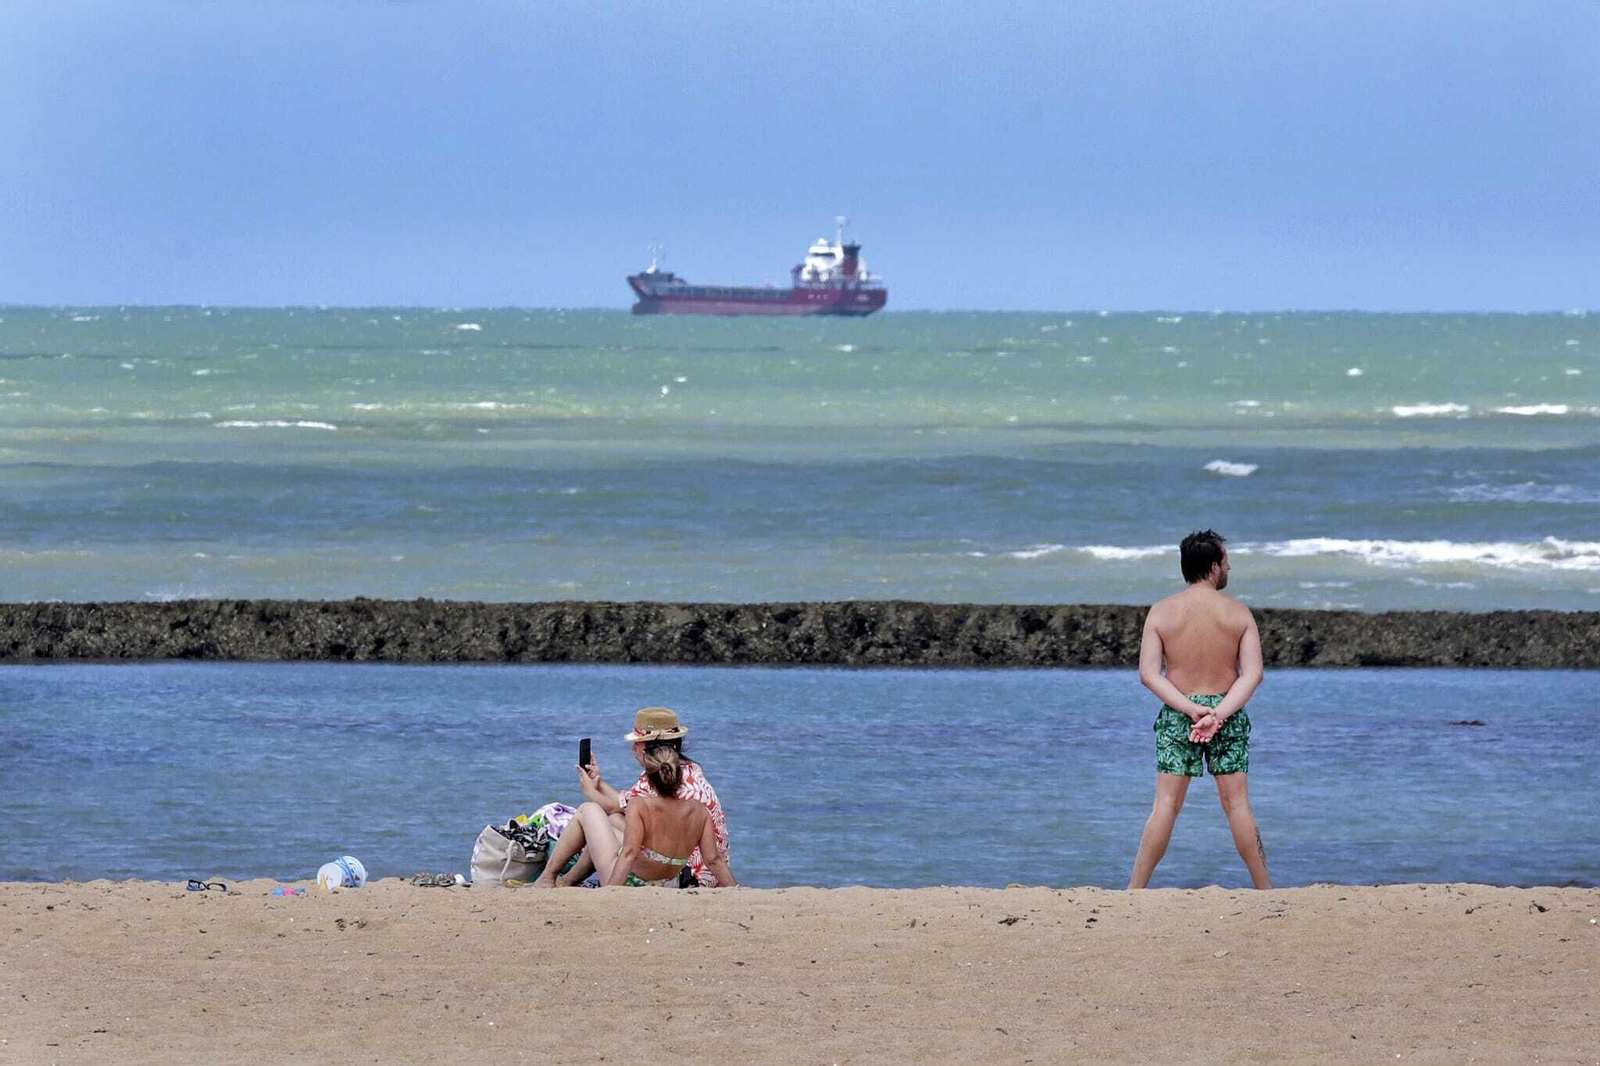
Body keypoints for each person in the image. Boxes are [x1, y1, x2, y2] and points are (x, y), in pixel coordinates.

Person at [1127, 530, 1271, 890]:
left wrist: (1191, 709)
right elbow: (1252, 674)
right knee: (1237, 805)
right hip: (1227, 712)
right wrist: (1218, 713)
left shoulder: (1161, 612)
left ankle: (1135, 889)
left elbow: (1149, 674)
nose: (1229, 567)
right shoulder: (1237, 613)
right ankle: (1265, 889)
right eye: (1225, 561)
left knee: (1166, 805)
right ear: (1212, 567)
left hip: (1180, 713)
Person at [533, 707, 732, 888]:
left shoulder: (653, 783)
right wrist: (599, 782)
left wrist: (591, 792)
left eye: (637, 743)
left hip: (683, 874)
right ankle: (566, 882)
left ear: (650, 749)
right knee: (614, 820)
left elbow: (624, 826)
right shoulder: (686, 772)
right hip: (683, 871)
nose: (633, 749)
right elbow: (624, 803)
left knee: (589, 811)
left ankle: (548, 878)